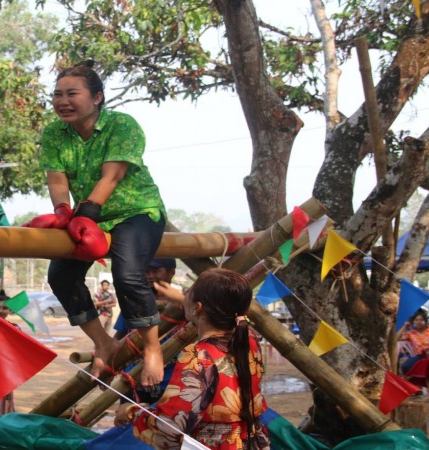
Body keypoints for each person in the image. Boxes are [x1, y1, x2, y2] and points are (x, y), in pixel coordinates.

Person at [26, 60, 167, 389]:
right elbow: (57, 177)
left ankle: (153, 347)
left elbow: (113, 175)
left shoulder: (123, 125)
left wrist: (84, 213)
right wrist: (63, 211)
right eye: (57, 94)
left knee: (128, 274)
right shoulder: (54, 133)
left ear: (98, 97)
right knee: (60, 274)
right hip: (89, 217)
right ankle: (103, 341)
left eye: (72, 93)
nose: (63, 101)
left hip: (137, 211)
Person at [115, 268, 269, 450]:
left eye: (188, 292)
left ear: (197, 308)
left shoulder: (198, 357)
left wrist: (131, 412)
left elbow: (169, 429)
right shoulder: (249, 340)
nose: (183, 295)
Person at [114, 258, 182, 405]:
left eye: (156, 271)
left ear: (172, 272)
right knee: (127, 422)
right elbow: (119, 336)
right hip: (133, 380)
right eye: (146, 271)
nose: (150, 276)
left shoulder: (185, 304)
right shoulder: (134, 302)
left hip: (170, 382)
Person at [397, 308, 429, 374]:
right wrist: (405, 326)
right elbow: (397, 339)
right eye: (416, 320)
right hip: (419, 356)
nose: (419, 322)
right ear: (413, 322)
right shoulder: (411, 333)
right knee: (405, 367)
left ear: (426, 321)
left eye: (421, 320)